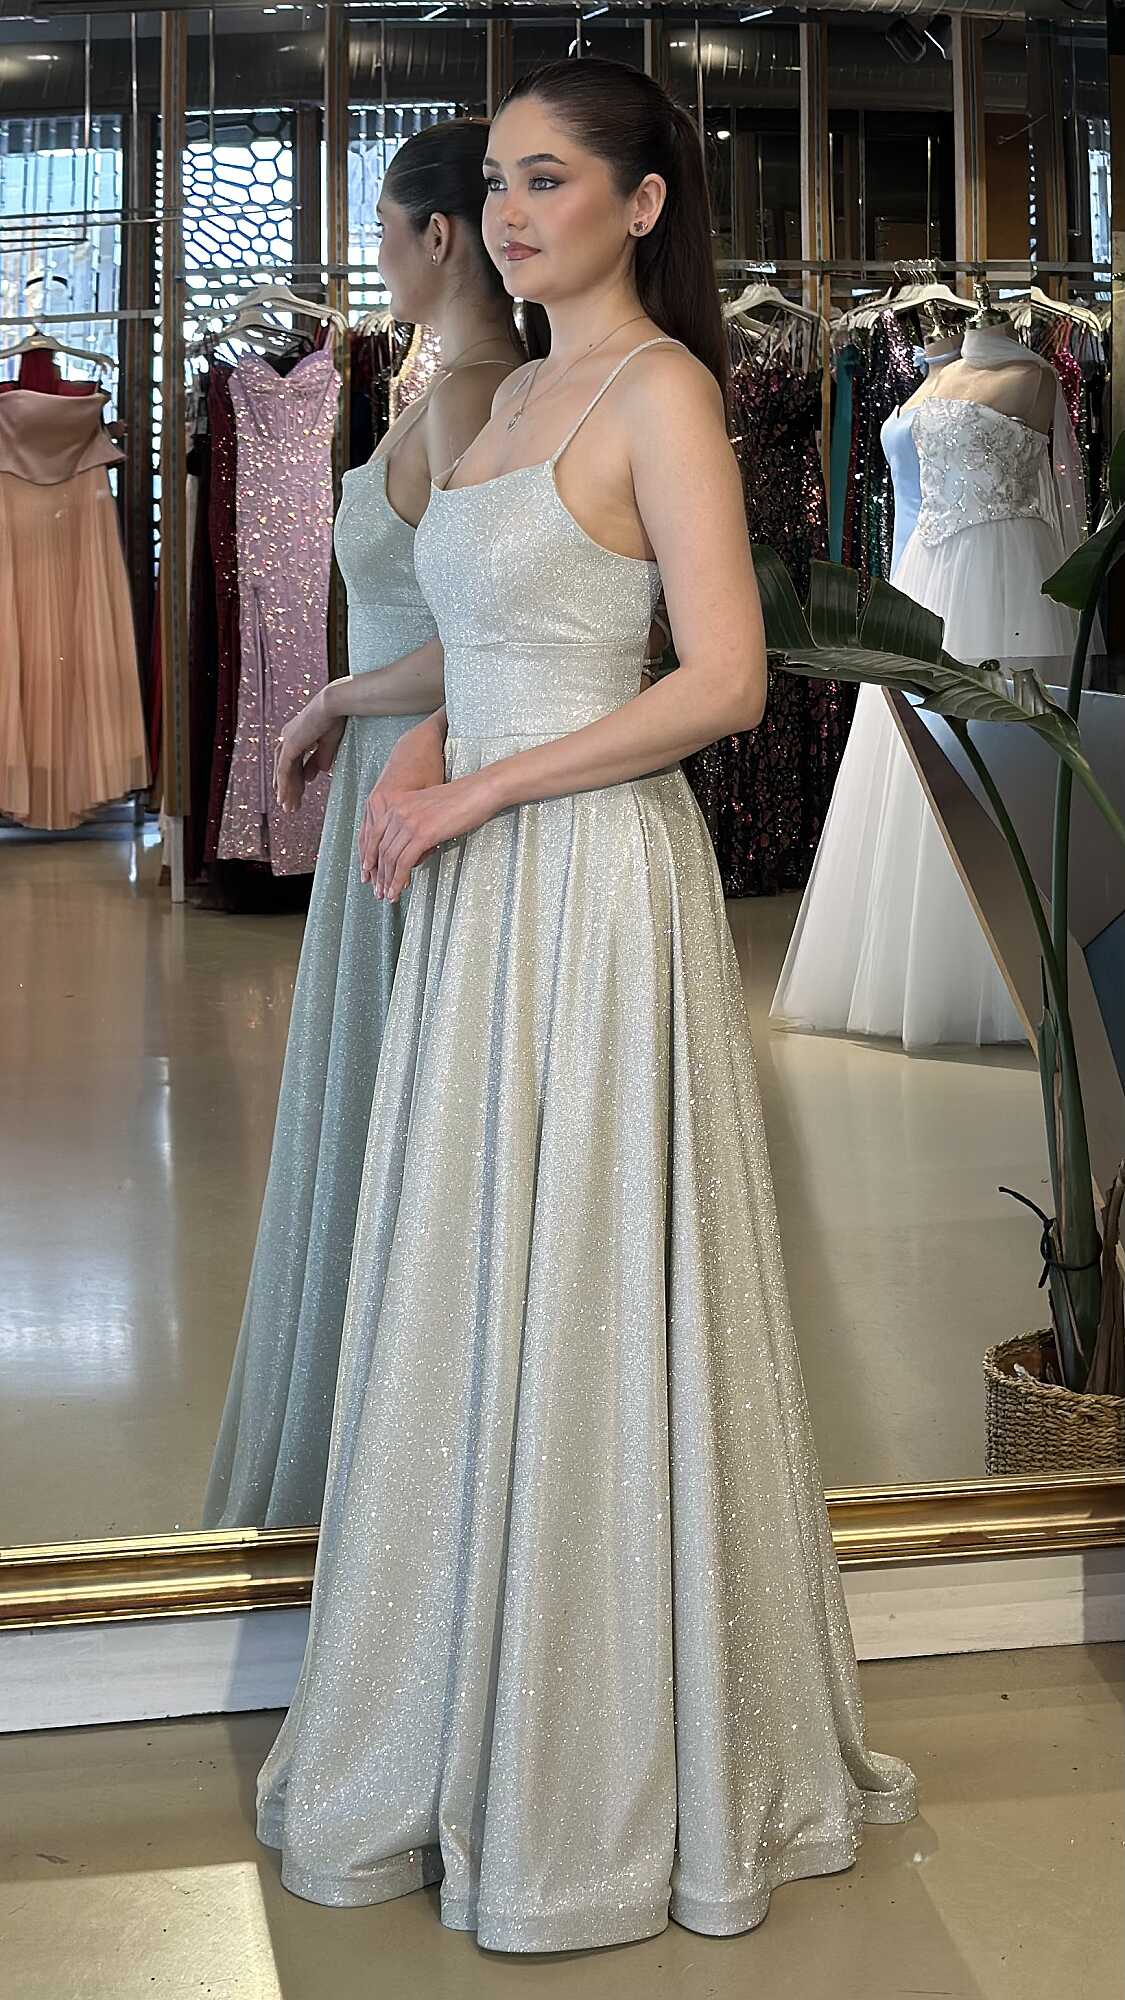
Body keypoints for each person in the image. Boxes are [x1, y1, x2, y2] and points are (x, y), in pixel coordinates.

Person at [257, 58, 917, 1953]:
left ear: (641, 205)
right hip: (484, 889)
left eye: (551, 180)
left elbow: (718, 681)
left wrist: (478, 786)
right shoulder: (504, 392)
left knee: (598, 1274)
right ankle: (464, 1688)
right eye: (498, 182)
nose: (513, 211)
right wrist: (389, 725)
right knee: (476, 1266)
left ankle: (606, 1748)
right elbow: (494, 640)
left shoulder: (660, 392)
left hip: (592, 887)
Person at [202, 120, 527, 1531]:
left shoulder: (475, 399)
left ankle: (416, 1465)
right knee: (382, 1092)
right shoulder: (443, 386)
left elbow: (497, 637)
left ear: (437, 237)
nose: (375, 260)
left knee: (410, 1108)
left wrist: (337, 696)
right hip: (392, 755)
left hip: (423, 773)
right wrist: (342, 701)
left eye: (385, 233)